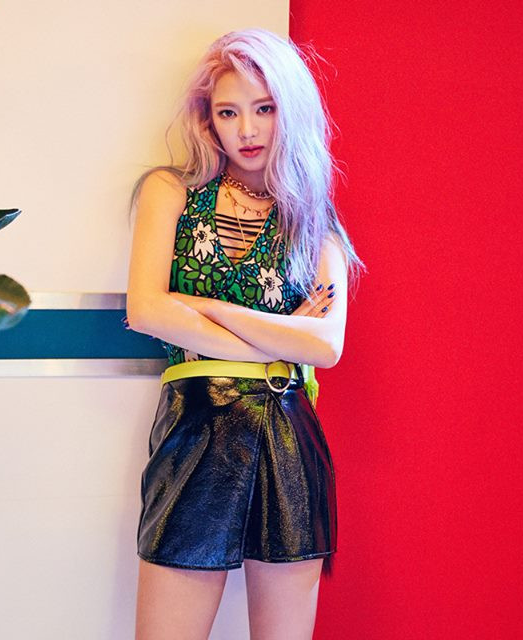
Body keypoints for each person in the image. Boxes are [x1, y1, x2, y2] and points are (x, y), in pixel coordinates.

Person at [125, 27, 365, 640]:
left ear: (291, 111)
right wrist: (280, 338)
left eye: (265, 109)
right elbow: (146, 311)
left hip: (288, 435)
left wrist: (201, 307)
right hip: (195, 429)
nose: (247, 130)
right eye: (228, 112)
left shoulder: (313, 219)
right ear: (208, 118)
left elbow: (326, 347)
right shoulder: (171, 191)